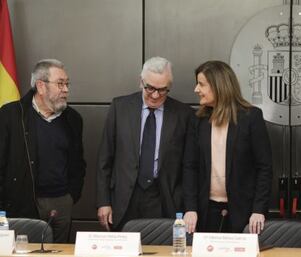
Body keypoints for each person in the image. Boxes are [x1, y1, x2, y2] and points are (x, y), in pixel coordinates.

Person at [96, 56, 193, 231]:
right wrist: (103, 202)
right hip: (125, 197)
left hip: (164, 198)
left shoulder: (183, 114)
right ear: (141, 82)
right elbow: (105, 159)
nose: (155, 95)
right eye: (150, 88)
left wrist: (188, 207)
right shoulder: (120, 107)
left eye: (162, 90)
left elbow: (189, 166)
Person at [0, 59, 86, 242]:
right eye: (60, 84)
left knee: (60, 253)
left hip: (62, 202)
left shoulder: (73, 119)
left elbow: (78, 163)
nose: (66, 90)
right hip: (24, 202)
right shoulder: (11, 115)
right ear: (40, 86)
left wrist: (71, 196)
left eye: (67, 84)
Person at [183, 60, 273, 234]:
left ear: (218, 86)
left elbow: (264, 168)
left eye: (201, 84)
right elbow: (190, 167)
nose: (196, 89)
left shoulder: (250, 117)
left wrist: (258, 210)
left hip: (244, 213)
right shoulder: (197, 120)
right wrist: (190, 208)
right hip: (205, 212)